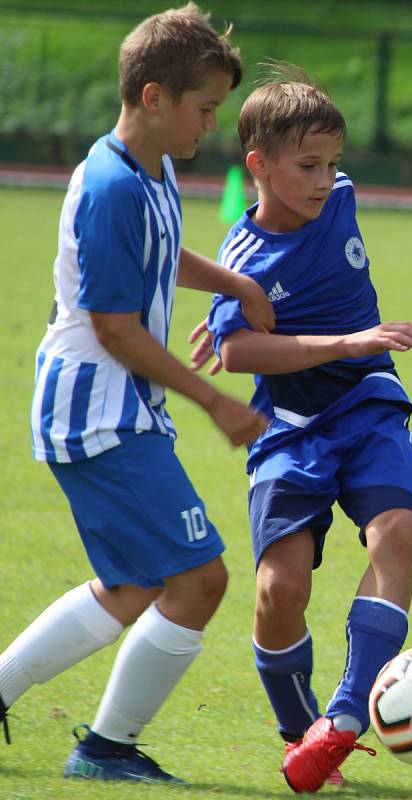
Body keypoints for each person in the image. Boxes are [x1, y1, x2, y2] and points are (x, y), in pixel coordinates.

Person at [0, 3, 275, 784]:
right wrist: (214, 400)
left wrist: (231, 281)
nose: (212, 128)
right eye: (205, 109)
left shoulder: (146, 168)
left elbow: (160, 252)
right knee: (200, 577)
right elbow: (117, 328)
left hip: (113, 410)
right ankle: (106, 749)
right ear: (154, 97)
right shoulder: (114, 187)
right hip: (98, 412)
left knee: (135, 583)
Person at [191, 66, 412, 793]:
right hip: (289, 428)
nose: (327, 179)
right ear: (257, 166)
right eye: (307, 166)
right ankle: (300, 732)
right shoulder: (245, 261)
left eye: (331, 162)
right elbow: (234, 355)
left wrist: (358, 356)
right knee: (279, 589)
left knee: (396, 531)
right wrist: (346, 340)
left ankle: (348, 715)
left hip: (367, 402)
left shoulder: (343, 198)